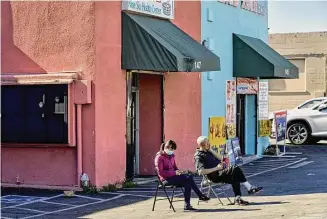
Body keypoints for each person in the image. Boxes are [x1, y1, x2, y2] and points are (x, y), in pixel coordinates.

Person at [194, 136, 263, 205]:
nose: (208, 144)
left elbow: (221, 158)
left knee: (235, 175)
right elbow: (200, 171)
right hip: (214, 177)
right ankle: (249, 188)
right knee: (234, 168)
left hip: (221, 172)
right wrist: (216, 168)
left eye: (208, 142)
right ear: (201, 145)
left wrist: (211, 150)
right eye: (206, 143)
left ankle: (238, 198)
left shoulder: (208, 151)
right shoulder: (199, 156)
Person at [155, 140, 210, 211]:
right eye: (171, 149)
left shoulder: (172, 156)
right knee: (189, 178)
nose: (172, 151)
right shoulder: (159, 157)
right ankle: (200, 195)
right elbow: (161, 172)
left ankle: (187, 205)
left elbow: (175, 168)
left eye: (173, 149)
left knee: (187, 182)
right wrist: (175, 173)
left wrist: (180, 171)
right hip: (165, 180)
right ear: (166, 147)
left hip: (173, 177)